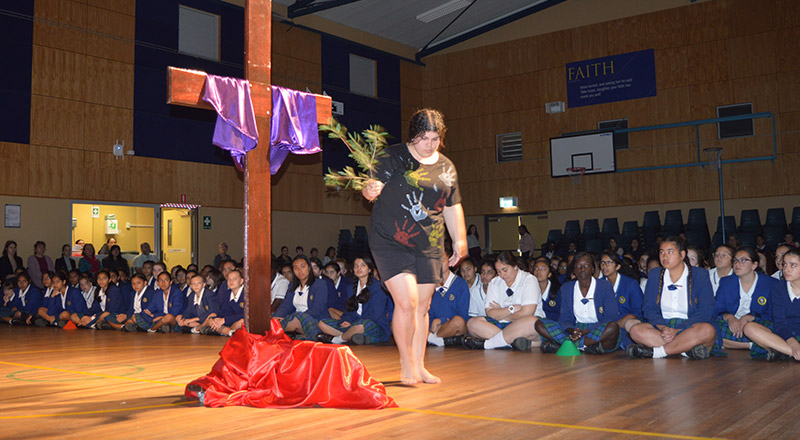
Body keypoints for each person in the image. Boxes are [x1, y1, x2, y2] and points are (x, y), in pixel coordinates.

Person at [361, 108, 467, 384]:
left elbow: (452, 206)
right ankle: (406, 364)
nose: (429, 145)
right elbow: (369, 186)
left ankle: (419, 366)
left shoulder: (446, 167)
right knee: (406, 303)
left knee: (422, 306)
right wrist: (369, 190)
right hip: (390, 241)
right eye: (423, 139)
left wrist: (460, 240)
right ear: (412, 136)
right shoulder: (393, 156)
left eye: (435, 139)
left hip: (429, 243)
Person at [627, 236, 716, 359]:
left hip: (689, 326)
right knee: (635, 330)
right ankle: (684, 350)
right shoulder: (655, 274)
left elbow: (706, 309)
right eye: (661, 252)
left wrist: (678, 330)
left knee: (707, 330)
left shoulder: (700, 275)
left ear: (682, 254)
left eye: (670, 252)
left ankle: (658, 352)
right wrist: (663, 328)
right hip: (663, 327)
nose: (664, 256)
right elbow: (648, 308)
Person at [536, 252, 620, 354]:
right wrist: (572, 331)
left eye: (586, 266)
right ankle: (586, 346)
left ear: (593, 269)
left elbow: (611, 316)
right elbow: (564, 318)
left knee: (613, 327)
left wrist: (587, 331)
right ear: (574, 270)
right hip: (575, 328)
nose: (582, 269)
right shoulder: (566, 288)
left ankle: (569, 344)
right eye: (578, 266)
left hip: (596, 327)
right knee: (539, 324)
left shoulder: (605, 286)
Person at [462, 251, 541, 351]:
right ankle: (514, 343)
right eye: (498, 271)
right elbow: (490, 313)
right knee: (472, 323)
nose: (502, 274)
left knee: (531, 321)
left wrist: (502, 314)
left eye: (505, 270)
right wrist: (511, 309)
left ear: (515, 267)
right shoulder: (494, 282)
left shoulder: (529, 280)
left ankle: (490, 343)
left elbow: (527, 313)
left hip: (522, 325)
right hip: (501, 325)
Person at [712, 247, 777, 352]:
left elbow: (773, 312)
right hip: (732, 324)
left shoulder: (770, 283)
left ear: (754, 265)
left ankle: (734, 343)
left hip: (756, 323)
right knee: (709, 328)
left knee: (766, 328)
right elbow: (716, 308)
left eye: (743, 260)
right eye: (735, 260)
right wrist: (729, 317)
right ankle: (756, 345)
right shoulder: (726, 282)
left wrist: (751, 317)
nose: (737, 264)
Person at [318, 256, 393, 345]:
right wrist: (346, 320)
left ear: (369, 269)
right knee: (322, 323)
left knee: (361, 325)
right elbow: (348, 310)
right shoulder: (350, 287)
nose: (359, 268)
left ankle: (339, 339)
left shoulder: (377, 287)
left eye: (362, 265)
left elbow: (376, 314)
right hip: (354, 324)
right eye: (356, 266)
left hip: (374, 324)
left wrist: (353, 324)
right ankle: (350, 336)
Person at [744, 248, 800, 361]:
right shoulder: (778, 289)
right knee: (749, 328)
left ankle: (781, 350)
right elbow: (780, 323)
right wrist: (792, 341)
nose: (786, 269)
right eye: (784, 264)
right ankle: (791, 352)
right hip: (784, 333)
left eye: (793, 265)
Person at [274, 256, 328, 341]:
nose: (300, 270)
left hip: (313, 319)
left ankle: (274, 332)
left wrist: (294, 317)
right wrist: (277, 317)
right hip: (294, 319)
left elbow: (316, 310)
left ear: (309, 268)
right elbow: (285, 305)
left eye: (303, 267)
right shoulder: (292, 285)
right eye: (296, 268)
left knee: (298, 317)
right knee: (273, 318)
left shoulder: (320, 284)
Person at [598, 251, 643, 349]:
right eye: (602, 263)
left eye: (609, 262)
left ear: (617, 266)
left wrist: (618, 323)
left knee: (629, 325)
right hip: (606, 322)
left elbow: (638, 311)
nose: (605, 266)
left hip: (626, 321)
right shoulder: (598, 284)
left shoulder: (630, 284)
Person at [426, 249, 469, 347]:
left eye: (442, 260)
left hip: (453, 327)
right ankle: (438, 340)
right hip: (434, 328)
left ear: (450, 261)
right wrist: (432, 323)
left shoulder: (460, 284)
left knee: (458, 321)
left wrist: (442, 320)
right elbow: (426, 313)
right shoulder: (429, 284)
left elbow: (462, 314)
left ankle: (431, 339)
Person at [208, 268, 245, 337]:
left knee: (241, 322)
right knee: (211, 320)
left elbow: (246, 314)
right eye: (229, 279)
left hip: (243, 320)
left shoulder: (247, 294)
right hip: (231, 321)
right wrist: (217, 320)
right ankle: (230, 332)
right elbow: (225, 311)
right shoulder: (227, 294)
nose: (231, 281)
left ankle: (227, 331)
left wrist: (225, 320)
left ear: (241, 281)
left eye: (234, 279)